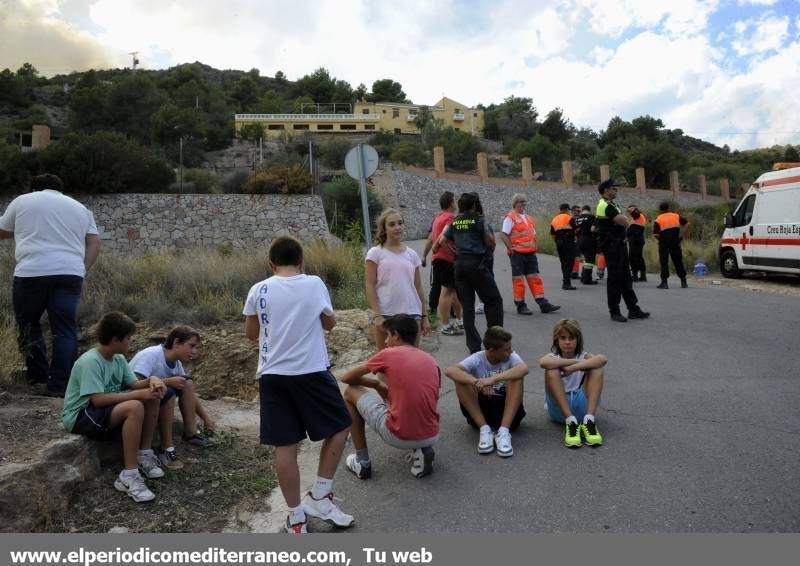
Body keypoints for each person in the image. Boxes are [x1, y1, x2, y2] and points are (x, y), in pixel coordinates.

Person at [244, 236, 353, 534]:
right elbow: (329, 324)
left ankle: (296, 518)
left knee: (285, 444)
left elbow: (251, 334)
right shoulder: (314, 283)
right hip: (311, 371)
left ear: (271, 263)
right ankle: (319, 494)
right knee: (342, 424)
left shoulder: (258, 289)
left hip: (272, 375)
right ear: (302, 261)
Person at [0, 173, 101, 395]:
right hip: (70, 273)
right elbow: (94, 242)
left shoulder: (23, 200)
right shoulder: (80, 208)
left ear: (34, 188)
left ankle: (37, 377)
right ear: (60, 189)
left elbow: (3, 230)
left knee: (28, 324)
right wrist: (82, 268)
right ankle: (60, 385)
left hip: (32, 272)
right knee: (64, 329)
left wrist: (23, 230)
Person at [61, 312, 166, 503]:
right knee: (134, 406)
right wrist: (139, 395)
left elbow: (134, 384)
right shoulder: (91, 361)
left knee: (153, 397)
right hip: (80, 414)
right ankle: (129, 475)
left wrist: (153, 380)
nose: (130, 342)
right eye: (128, 338)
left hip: (100, 411)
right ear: (115, 340)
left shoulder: (117, 359)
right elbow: (98, 400)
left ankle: (144, 454)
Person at [341, 315, 440, 479]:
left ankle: (362, 461)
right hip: (431, 434)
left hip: (398, 435)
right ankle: (421, 449)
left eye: (388, 335)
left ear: (396, 335)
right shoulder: (431, 360)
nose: (386, 341)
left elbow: (347, 378)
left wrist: (375, 384)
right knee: (408, 401)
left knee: (350, 391)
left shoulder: (389, 353)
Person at [129, 325, 216, 470]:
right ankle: (166, 448)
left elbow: (190, 394)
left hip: (156, 400)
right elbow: (133, 385)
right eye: (192, 346)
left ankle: (191, 433)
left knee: (186, 382)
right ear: (176, 343)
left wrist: (206, 418)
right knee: (168, 390)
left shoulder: (176, 364)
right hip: (135, 403)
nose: (194, 352)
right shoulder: (151, 355)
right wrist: (167, 382)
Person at [444, 326, 528, 457]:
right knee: (460, 380)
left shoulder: (511, 356)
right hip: (483, 412)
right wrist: (476, 382)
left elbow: (523, 369)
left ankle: (504, 431)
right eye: (506, 350)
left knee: (517, 377)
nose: (510, 352)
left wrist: (492, 380)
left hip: (507, 412)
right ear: (492, 351)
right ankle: (485, 430)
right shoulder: (477, 358)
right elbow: (450, 371)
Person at [437, 193, 503, 354]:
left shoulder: (455, 221)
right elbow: (491, 241)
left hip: (459, 265)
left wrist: (455, 253)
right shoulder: (479, 220)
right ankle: (494, 340)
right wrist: (487, 256)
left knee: (467, 307)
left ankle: (473, 346)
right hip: (477, 265)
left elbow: (442, 241)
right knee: (494, 301)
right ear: (474, 205)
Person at [366, 208, 430, 350]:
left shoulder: (412, 254)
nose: (397, 227)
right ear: (384, 228)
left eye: (400, 223)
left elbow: (418, 287)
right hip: (386, 315)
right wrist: (377, 315)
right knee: (385, 365)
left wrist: (424, 316)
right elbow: (369, 284)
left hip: (412, 314)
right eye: (392, 224)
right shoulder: (375, 253)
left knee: (411, 363)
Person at [539, 318, 607, 448]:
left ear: (578, 340)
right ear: (556, 341)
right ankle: (571, 422)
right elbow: (543, 362)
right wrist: (576, 363)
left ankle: (589, 421)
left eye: (571, 338)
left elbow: (602, 359)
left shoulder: (583, 355)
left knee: (597, 368)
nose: (567, 342)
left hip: (582, 407)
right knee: (551, 371)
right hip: (559, 410)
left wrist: (572, 368)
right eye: (563, 338)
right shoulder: (553, 357)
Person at [596, 179, 650, 323]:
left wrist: (622, 219)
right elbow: (624, 221)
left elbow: (622, 220)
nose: (616, 190)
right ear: (606, 190)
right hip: (612, 246)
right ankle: (614, 311)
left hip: (619, 245)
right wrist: (623, 220)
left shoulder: (612, 204)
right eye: (614, 188)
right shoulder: (605, 205)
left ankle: (633, 309)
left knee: (626, 278)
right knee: (615, 279)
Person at [499, 194, 560, 316]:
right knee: (518, 281)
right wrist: (511, 249)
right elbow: (503, 234)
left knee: (535, 278)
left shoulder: (529, 218)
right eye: (521, 202)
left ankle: (543, 303)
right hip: (517, 254)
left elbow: (531, 235)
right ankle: (521, 306)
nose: (523, 204)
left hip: (530, 253)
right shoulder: (510, 217)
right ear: (515, 203)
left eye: (524, 202)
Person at [421, 192, 463, 336]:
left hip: (438, 259)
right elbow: (442, 238)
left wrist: (427, 253)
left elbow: (433, 238)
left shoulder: (438, 217)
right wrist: (454, 252)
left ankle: (459, 320)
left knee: (453, 291)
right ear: (451, 203)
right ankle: (446, 325)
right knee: (446, 292)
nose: (456, 205)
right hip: (446, 259)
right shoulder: (450, 217)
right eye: (455, 202)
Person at [653, 201, 690, 289]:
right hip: (675, 242)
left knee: (664, 262)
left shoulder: (658, 219)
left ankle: (664, 283)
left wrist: (661, 239)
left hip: (663, 243)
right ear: (668, 208)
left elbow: (656, 234)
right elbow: (687, 224)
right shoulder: (676, 216)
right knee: (678, 261)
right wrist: (681, 236)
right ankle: (683, 282)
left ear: (660, 210)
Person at [550, 203, 578, 291]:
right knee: (569, 262)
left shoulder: (554, 219)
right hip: (568, 242)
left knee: (563, 262)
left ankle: (565, 279)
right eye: (569, 210)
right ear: (566, 209)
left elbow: (552, 234)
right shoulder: (569, 218)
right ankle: (566, 283)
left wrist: (557, 241)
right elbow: (577, 229)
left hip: (559, 242)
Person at [574, 205, 599, 285]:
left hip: (579, 240)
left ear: (582, 210)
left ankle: (583, 277)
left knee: (585, 259)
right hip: (589, 240)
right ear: (589, 210)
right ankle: (587, 279)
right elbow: (593, 229)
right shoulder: (592, 217)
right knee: (590, 260)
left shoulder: (577, 218)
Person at [626, 205, 648, 282]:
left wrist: (632, 208)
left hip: (636, 240)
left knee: (633, 257)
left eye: (630, 211)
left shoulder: (638, 216)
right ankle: (643, 276)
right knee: (638, 257)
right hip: (637, 239)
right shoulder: (637, 217)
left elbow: (635, 213)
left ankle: (635, 276)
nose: (629, 212)